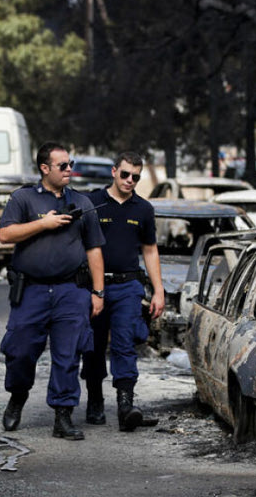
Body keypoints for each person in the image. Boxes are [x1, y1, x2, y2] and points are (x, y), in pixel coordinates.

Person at [0, 141, 106, 441]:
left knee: (68, 354)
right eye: (63, 166)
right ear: (45, 169)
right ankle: (17, 398)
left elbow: (94, 249)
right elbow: (5, 234)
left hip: (71, 290)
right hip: (31, 289)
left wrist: (98, 293)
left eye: (70, 164)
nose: (69, 170)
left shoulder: (82, 203)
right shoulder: (23, 198)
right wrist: (42, 224)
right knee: (19, 350)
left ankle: (63, 415)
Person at [81, 151, 165, 431]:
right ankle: (94, 400)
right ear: (114, 171)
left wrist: (158, 291)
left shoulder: (143, 209)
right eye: (126, 174)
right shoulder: (92, 202)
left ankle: (126, 405)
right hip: (94, 286)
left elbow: (150, 250)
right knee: (91, 346)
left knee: (124, 344)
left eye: (136, 177)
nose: (130, 181)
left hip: (127, 286)